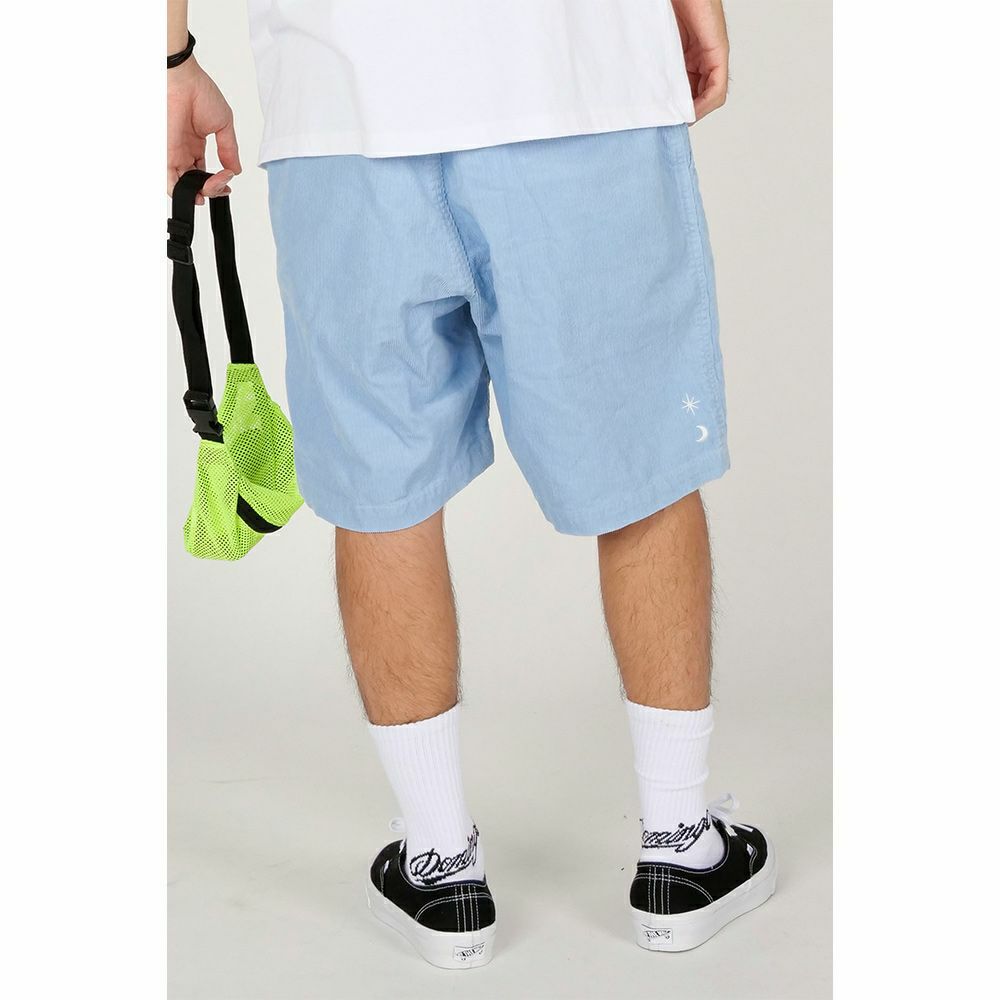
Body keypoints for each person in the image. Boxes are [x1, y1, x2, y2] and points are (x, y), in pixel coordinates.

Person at [167, 0, 776, 969]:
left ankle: (441, 864)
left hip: (340, 110)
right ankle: (679, 847)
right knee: (641, 465)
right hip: (575, 81)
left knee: (385, 489)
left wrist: (170, 59)